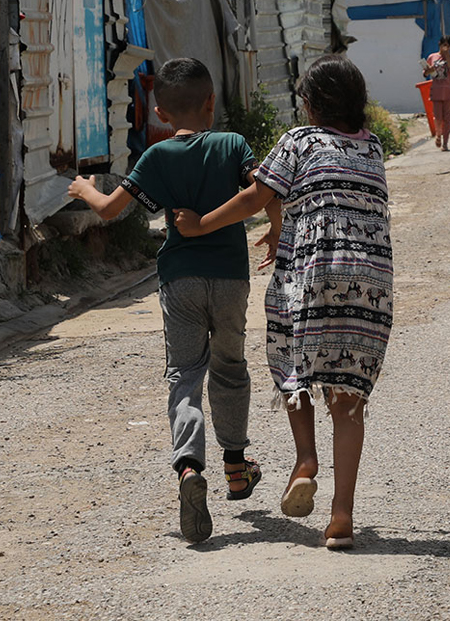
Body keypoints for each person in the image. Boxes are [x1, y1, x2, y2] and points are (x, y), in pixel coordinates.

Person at [174, 55, 392, 550]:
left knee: (293, 363)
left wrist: (201, 224)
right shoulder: (374, 147)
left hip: (313, 273)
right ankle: (341, 517)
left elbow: (256, 196)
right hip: (372, 279)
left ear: (312, 104)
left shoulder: (299, 140)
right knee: (348, 399)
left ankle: (306, 460)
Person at [66, 57, 280, 544]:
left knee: (185, 373)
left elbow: (107, 212)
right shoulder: (233, 145)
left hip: (178, 281)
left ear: (159, 112)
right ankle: (235, 465)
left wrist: (84, 188)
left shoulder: (156, 157)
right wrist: (275, 230)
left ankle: (188, 468)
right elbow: (266, 193)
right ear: (211, 102)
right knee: (230, 367)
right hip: (229, 279)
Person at [424, 37, 450, 150]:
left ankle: (445, 143)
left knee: (448, 118)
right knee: (438, 116)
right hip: (436, 89)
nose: (445, 47)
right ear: (439, 44)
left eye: (448, 45)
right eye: (443, 44)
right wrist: (429, 70)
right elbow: (425, 73)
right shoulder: (432, 57)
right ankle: (438, 134)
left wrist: (446, 54)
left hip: (448, 89)